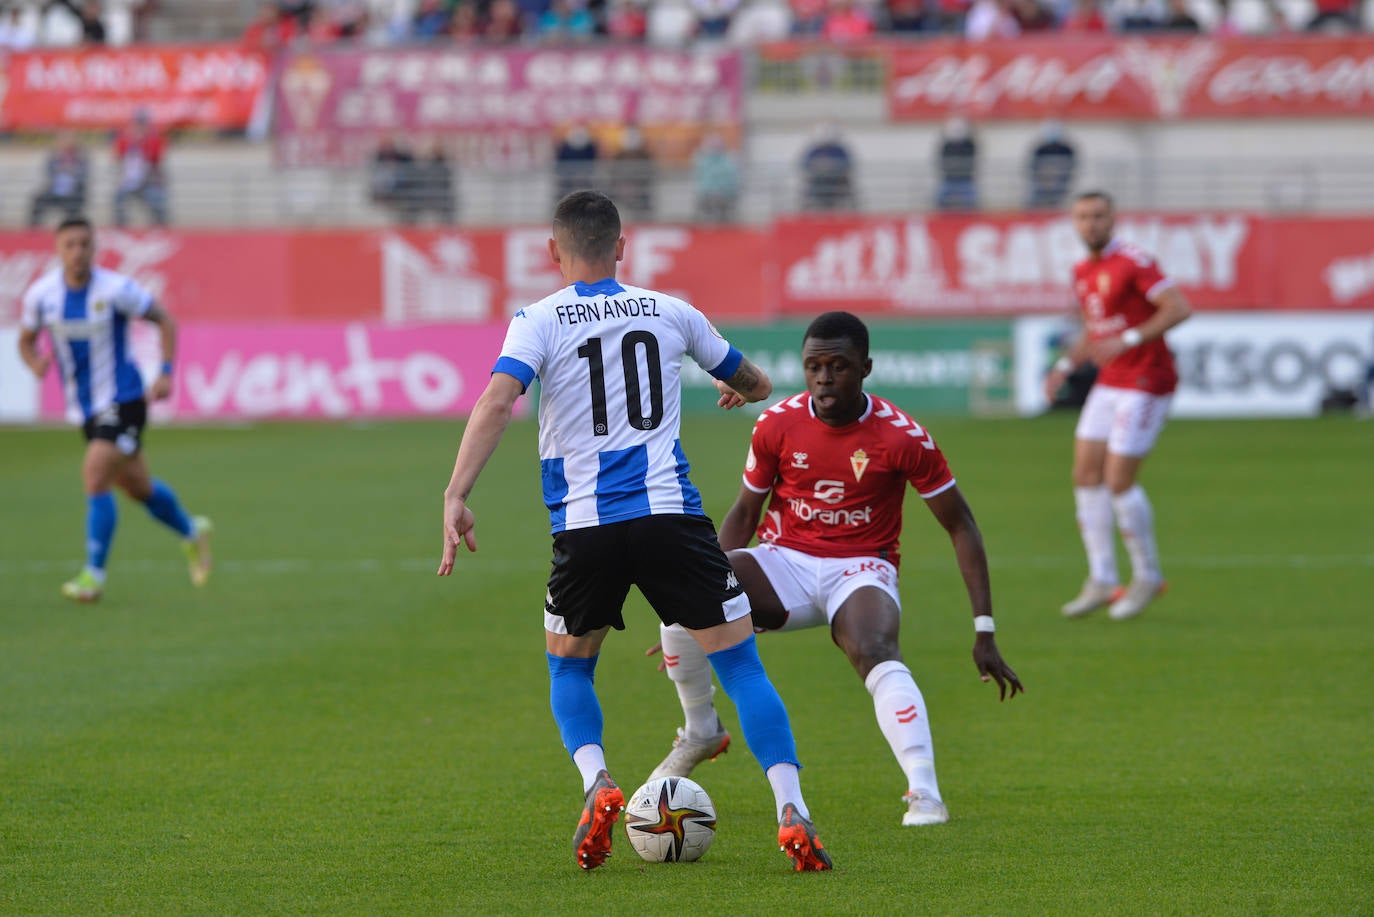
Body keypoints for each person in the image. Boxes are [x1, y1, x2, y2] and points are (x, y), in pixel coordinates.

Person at [436, 191, 833, 873]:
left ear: (552, 251)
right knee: (740, 665)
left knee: (570, 665)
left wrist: (457, 492)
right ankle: (791, 808)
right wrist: (742, 386)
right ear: (623, 245)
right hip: (671, 517)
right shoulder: (669, 309)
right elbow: (755, 378)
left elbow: (499, 399)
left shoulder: (538, 319)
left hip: (586, 526)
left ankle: (598, 782)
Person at [647, 311, 1023, 827]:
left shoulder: (903, 437)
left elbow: (962, 526)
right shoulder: (777, 424)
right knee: (683, 600)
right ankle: (700, 731)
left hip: (862, 568)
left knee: (875, 650)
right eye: (814, 366)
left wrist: (984, 628)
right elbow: (744, 514)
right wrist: (693, 601)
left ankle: (925, 792)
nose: (825, 378)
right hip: (785, 561)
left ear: (865, 367)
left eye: (839, 366)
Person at [17, 217, 212, 604]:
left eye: (84, 244)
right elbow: (26, 340)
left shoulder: (116, 289)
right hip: (86, 409)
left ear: (95, 249)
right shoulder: (42, 296)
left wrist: (167, 372)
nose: (77, 251)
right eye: (69, 244)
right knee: (138, 486)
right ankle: (193, 532)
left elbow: (164, 320)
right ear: (57, 250)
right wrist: (34, 361)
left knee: (95, 474)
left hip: (125, 399)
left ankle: (94, 575)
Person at [1043, 191, 1192, 621]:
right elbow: (1096, 330)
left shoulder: (1134, 261)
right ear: (1074, 222)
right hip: (1111, 380)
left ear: (1113, 219)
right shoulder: (1083, 270)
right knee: (1085, 473)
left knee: (1118, 479)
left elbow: (1178, 308)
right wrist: (1065, 365)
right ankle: (1103, 577)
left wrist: (1127, 340)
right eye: (1083, 216)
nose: (1090, 223)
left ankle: (1147, 576)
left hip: (1147, 379)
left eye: (1098, 216)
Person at [112, 109, 168, 227]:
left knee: (157, 199)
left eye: (142, 123)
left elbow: (156, 160)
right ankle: (121, 227)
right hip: (128, 182)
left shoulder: (154, 141)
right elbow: (118, 157)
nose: (140, 127)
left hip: (148, 183)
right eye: (138, 123)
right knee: (118, 198)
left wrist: (143, 142)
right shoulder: (125, 140)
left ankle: (159, 228)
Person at [29, 133, 89, 228]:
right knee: (38, 200)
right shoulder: (55, 157)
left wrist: (69, 170)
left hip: (73, 193)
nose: (66, 143)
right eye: (64, 140)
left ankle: (72, 229)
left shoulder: (81, 158)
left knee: (74, 205)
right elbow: (49, 172)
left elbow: (83, 175)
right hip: (55, 192)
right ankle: (34, 229)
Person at [800, 123, 855, 212]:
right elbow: (804, 164)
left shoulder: (839, 150)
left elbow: (848, 164)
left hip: (837, 181)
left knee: (848, 186)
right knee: (806, 189)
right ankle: (804, 214)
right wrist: (818, 166)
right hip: (818, 182)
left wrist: (833, 166)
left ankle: (852, 213)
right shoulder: (815, 150)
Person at [1026, 120, 1076, 211]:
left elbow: (1071, 165)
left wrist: (1056, 173)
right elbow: (1033, 166)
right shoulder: (1040, 148)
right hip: (1041, 181)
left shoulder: (1066, 149)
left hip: (1060, 181)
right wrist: (1044, 175)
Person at [692, 132, 740, 223]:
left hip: (725, 195)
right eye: (713, 145)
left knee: (722, 212)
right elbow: (701, 178)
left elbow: (732, 179)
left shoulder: (729, 160)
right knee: (708, 209)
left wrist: (726, 192)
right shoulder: (702, 160)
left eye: (717, 145)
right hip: (707, 195)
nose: (715, 148)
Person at [936, 116, 978, 212]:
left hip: (966, 179)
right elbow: (943, 162)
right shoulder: (947, 145)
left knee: (972, 197)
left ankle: (970, 216)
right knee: (939, 197)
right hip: (949, 179)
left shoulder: (969, 144)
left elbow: (971, 156)